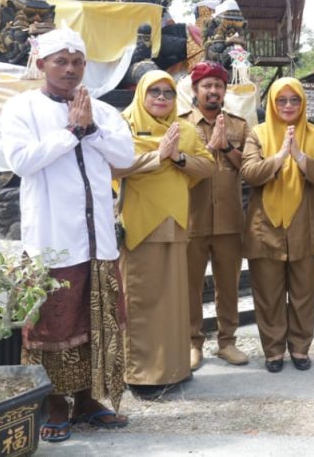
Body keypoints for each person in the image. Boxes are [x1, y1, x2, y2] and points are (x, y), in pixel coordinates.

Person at [2, 27, 133, 442]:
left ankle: (89, 401)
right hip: (53, 241)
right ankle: (54, 405)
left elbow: (125, 156)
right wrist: (70, 133)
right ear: (40, 64)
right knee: (52, 327)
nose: (71, 69)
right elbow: (22, 161)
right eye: (61, 61)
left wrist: (91, 129)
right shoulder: (21, 108)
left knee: (97, 324)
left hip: (99, 240)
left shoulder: (103, 112)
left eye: (77, 61)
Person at [113, 70, 213, 398]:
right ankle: (140, 374)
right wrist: (157, 157)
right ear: (141, 93)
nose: (160, 97)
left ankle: (174, 368)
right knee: (141, 300)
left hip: (175, 223)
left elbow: (208, 166)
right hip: (139, 223)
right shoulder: (123, 125)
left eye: (168, 92)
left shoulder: (184, 129)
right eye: (153, 91)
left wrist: (179, 158)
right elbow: (113, 166)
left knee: (173, 301)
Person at [241, 77, 314, 373]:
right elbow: (250, 173)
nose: (289, 105)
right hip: (264, 227)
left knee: (304, 293)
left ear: (303, 103)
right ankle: (273, 350)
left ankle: (300, 347)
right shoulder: (257, 134)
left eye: (294, 100)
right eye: (282, 100)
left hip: (305, 226)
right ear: (272, 103)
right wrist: (280, 157)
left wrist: (299, 156)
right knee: (268, 294)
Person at [182, 61, 252, 370]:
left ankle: (227, 342)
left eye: (218, 86)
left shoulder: (239, 125)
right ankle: (192, 343)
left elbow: (247, 167)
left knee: (229, 285)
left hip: (229, 219)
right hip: (191, 218)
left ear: (225, 91)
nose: (213, 91)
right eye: (206, 85)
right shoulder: (181, 123)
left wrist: (225, 148)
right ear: (195, 90)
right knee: (191, 286)